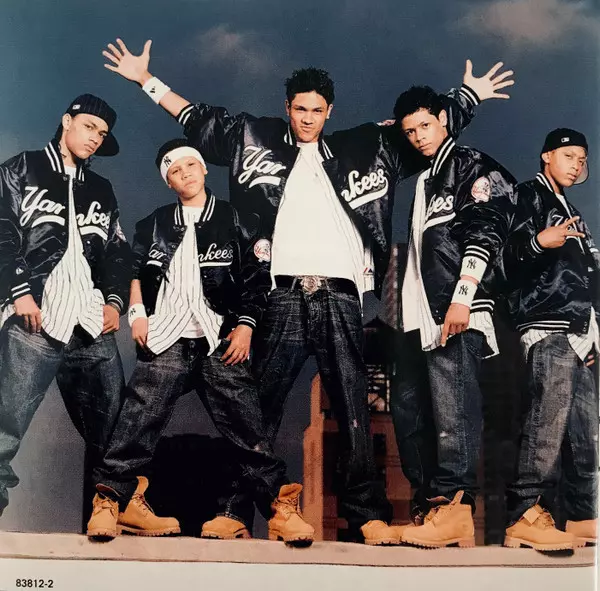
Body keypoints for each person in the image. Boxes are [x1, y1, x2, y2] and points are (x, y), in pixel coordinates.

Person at [102, 37, 513, 543]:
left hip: (340, 296)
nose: (308, 119)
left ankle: (367, 516)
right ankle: (234, 510)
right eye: (300, 110)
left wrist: (467, 97)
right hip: (281, 295)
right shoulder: (254, 139)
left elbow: (425, 129)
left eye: (317, 111)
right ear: (287, 108)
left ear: (329, 111)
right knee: (257, 409)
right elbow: (199, 119)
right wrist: (146, 80)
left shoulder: (366, 147)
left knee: (353, 408)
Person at [87, 138, 314, 546]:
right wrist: (137, 314)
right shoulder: (153, 223)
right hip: (167, 336)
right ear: (169, 182)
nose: (185, 174)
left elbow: (257, 279)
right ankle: (111, 504)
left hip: (217, 337)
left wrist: (245, 326)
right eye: (175, 171)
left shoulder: (238, 219)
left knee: (248, 428)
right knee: (137, 420)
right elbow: (134, 270)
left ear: (204, 168)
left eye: (191, 165)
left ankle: (280, 510)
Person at [388, 85, 517, 548]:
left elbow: (487, 229)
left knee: (453, 409)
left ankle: (456, 507)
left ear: (444, 119)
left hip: (455, 308)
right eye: (410, 131)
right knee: (409, 410)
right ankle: (430, 508)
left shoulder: (469, 166)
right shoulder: (425, 179)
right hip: (418, 316)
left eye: (426, 125)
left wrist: (464, 295)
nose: (419, 136)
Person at [0, 94, 131, 518]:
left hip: (89, 322)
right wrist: (19, 290)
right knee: (5, 426)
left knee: (114, 428)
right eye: (89, 127)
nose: (95, 138)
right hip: (34, 319)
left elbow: (117, 252)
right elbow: (2, 232)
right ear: (66, 121)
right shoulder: (21, 169)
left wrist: (114, 301)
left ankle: (110, 513)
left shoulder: (102, 189)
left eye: (103, 134)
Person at [502, 128, 598, 551]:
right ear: (546, 156)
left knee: (585, 430)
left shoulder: (570, 209)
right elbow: (505, 257)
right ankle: (524, 513)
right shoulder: (528, 196)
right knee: (547, 421)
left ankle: (581, 515)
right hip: (548, 323)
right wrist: (539, 242)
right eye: (568, 155)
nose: (577, 165)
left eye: (582, 158)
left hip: (580, 330)